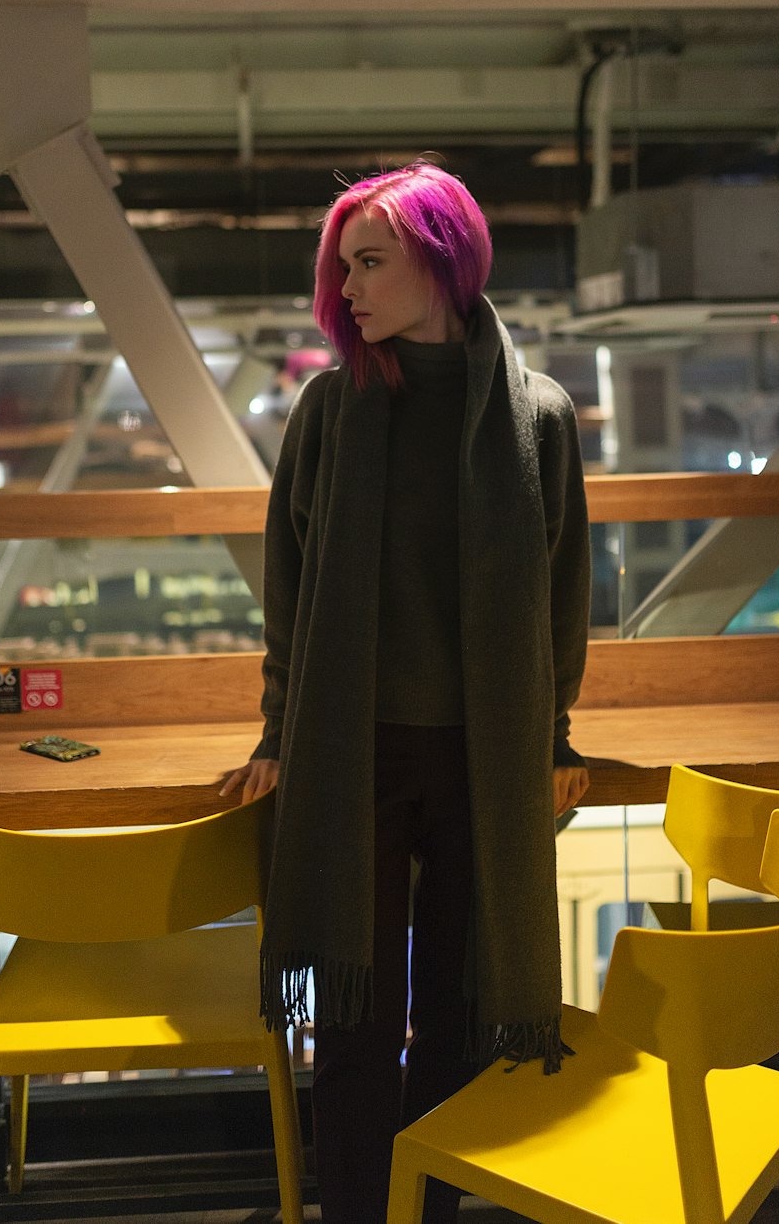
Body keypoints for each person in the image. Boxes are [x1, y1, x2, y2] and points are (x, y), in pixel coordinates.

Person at [221, 162, 591, 1224]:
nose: (347, 291)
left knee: (463, 1015)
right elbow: (289, 592)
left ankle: (419, 1207)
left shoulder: (539, 418)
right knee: (347, 1017)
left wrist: (554, 734)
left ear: (444, 259)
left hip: (484, 752)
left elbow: (563, 595)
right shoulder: (330, 410)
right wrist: (279, 729)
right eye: (343, 269)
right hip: (352, 750)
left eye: (370, 262)